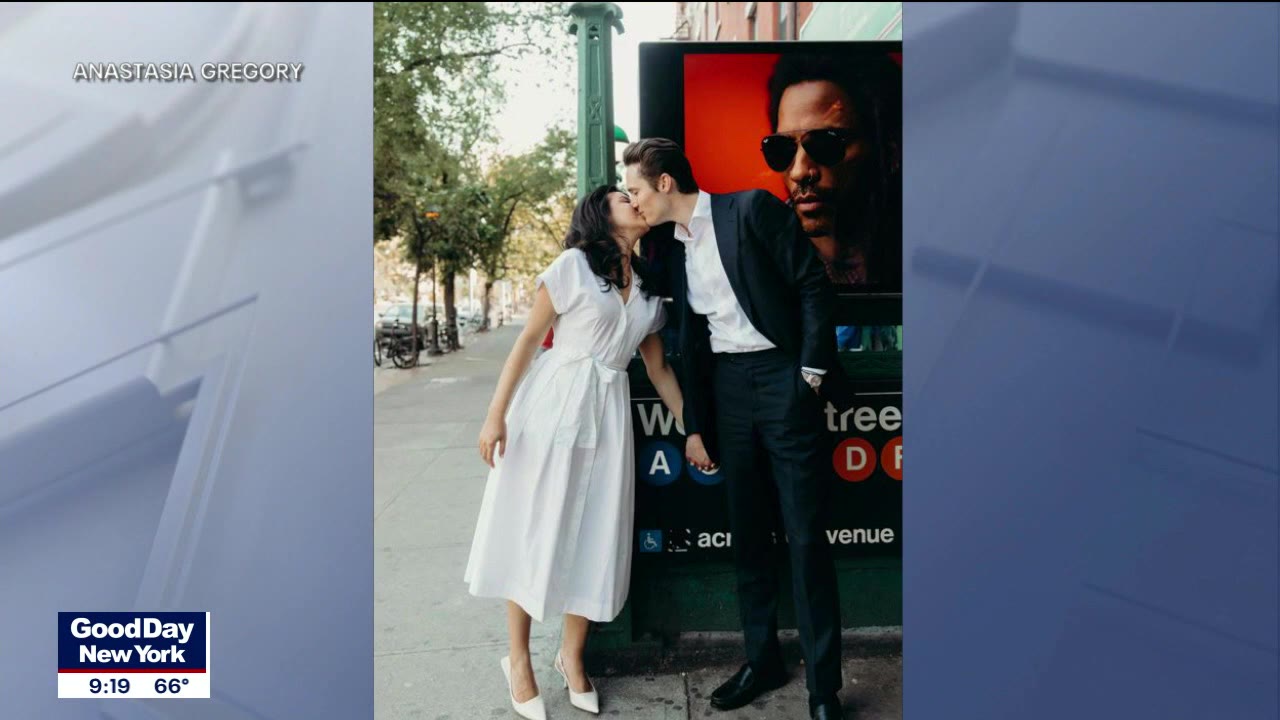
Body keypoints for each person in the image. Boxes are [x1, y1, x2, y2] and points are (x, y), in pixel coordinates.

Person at [464, 186, 714, 720]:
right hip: (553, 406)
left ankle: (571, 657)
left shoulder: (649, 289)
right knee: (537, 529)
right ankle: (519, 661)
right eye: (625, 197)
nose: (635, 201)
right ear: (602, 215)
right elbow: (529, 341)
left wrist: (691, 429)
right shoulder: (572, 266)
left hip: (608, 417)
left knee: (592, 533)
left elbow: (658, 369)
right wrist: (495, 415)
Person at [624, 138, 845, 720]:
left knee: (804, 536)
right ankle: (762, 659)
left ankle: (824, 689)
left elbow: (812, 285)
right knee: (748, 536)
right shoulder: (668, 250)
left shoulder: (749, 209)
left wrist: (811, 376)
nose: (634, 200)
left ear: (666, 183)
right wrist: (696, 426)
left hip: (782, 377)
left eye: (637, 190)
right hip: (727, 389)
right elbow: (685, 345)